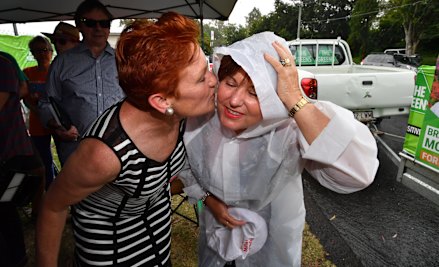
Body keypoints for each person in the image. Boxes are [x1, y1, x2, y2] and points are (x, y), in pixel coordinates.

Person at [179, 32, 379, 267]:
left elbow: (356, 174)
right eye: (230, 83)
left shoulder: (290, 130)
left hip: (271, 247)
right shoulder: (203, 121)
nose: (234, 100)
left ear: (272, 96)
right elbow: (187, 167)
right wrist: (208, 200)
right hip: (216, 237)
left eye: (255, 92)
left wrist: (295, 99)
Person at [36, 12, 217, 267]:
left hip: (158, 236)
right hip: (111, 248)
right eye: (202, 78)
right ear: (162, 101)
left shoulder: (183, 115)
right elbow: (52, 206)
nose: (214, 81)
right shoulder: (104, 153)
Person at [38, 0, 124, 166]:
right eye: (90, 23)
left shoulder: (124, 61)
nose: (98, 28)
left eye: (104, 23)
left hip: (119, 152)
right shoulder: (62, 63)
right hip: (77, 153)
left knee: (115, 193)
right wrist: (57, 127)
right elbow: (46, 103)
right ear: (79, 26)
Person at [0, 52, 44, 267]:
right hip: (16, 152)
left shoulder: (2, 62)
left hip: (11, 154)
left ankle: (17, 258)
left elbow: (22, 90)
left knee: (5, 207)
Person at [23, 36, 55, 191]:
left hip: (58, 123)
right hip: (37, 123)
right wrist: (38, 111)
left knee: (66, 158)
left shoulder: (57, 71)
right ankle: (49, 191)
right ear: (32, 53)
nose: (42, 54)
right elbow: (25, 99)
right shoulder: (27, 73)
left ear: (51, 51)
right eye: (37, 51)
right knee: (44, 159)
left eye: (44, 50)